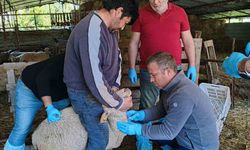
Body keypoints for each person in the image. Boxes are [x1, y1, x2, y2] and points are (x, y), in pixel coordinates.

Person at [63, 0, 138, 149]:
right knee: (100, 138)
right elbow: (93, 76)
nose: (123, 27)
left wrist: (115, 86)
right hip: (85, 93)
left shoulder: (111, 30)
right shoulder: (91, 30)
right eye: (124, 21)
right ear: (118, 11)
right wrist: (119, 103)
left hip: (100, 90)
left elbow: (117, 57)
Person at [127, 0, 196, 148]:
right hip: (149, 70)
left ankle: (171, 137)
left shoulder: (179, 12)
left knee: (174, 103)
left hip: (173, 70)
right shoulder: (142, 13)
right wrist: (132, 66)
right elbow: (134, 42)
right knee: (147, 103)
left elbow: (188, 40)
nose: (155, 2)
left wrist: (192, 65)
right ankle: (143, 138)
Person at [117, 52, 219, 150]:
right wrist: (142, 114)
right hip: (183, 135)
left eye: (154, 75)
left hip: (198, 146)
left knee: (153, 131)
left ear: (168, 72)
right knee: (152, 131)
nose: (151, 80)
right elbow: (160, 109)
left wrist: (138, 129)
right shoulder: (171, 86)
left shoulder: (182, 94)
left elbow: (168, 132)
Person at [4, 54, 70, 150]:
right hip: (29, 90)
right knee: (22, 127)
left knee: (64, 124)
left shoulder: (90, 67)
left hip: (59, 96)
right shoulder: (64, 60)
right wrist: (49, 107)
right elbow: (42, 79)